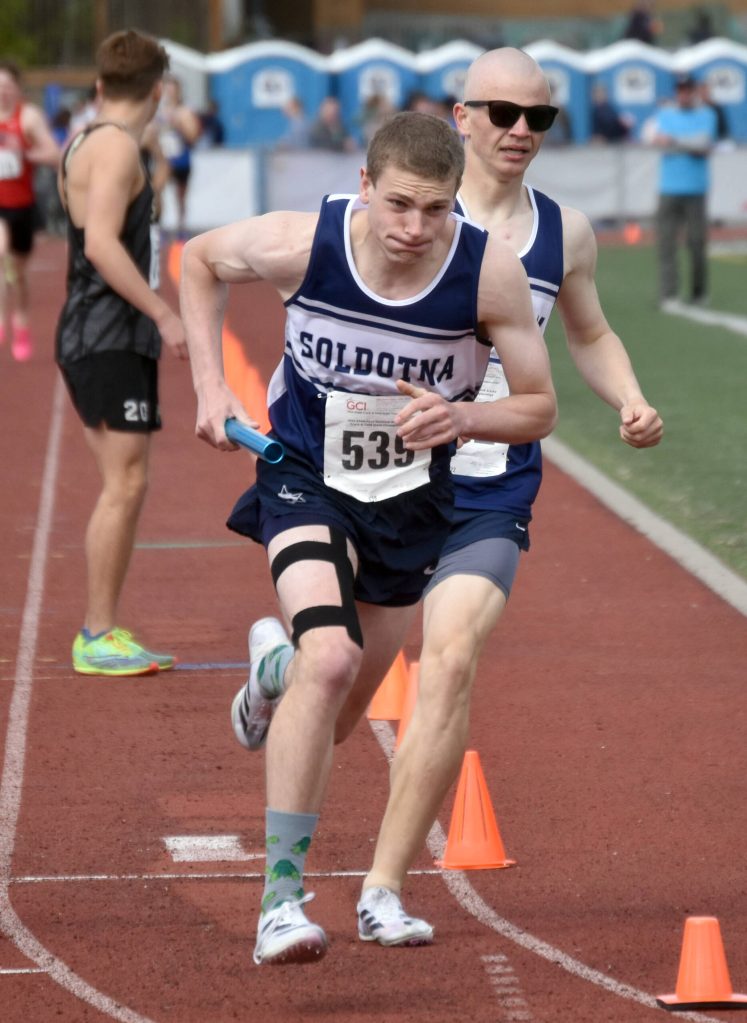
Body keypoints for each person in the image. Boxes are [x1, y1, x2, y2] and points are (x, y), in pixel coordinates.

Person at [234, 48, 664, 949]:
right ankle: (277, 673)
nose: (519, 132)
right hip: (376, 478)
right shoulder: (408, 212)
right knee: (340, 694)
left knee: (453, 651)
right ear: (458, 116)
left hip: (488, 483)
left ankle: (381, 888)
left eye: (538, 119)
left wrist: (625, 394)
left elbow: (587, 330)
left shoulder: (563, 234)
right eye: (502, 112)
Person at [179, 109, 558, 965]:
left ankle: (271, 671)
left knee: (340, 711)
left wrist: (461, 414)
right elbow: (199, 260)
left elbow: (539, 406)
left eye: (434, 209)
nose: (413, 229)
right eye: (397, 205)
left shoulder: (487, 276)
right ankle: (281, 898)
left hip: (410, 499)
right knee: (334, 657)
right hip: (303, 470)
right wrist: (210, 387)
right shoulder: (303, 243)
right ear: (362, 185)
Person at [55, 29, 188, 677]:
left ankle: (101, 626)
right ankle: (96, 632)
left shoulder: (92, 141)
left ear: (102, 85)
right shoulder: (113, 149)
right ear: (158, 90)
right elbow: (103, 245)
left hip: (101, 331)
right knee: (125, 482)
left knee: (126, 482)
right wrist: (164, 313)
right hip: (107, 333)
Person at [0, 60, 61, 361]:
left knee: (18, 275)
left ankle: (20, 320)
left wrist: (23, 152)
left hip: (21, 206)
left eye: (8, 87)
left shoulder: (29, 118)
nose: (3, 93)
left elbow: (54, 153)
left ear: (17, 89)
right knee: (0, 255)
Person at [647, 72, 718, 309]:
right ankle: (669, 293)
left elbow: (703, 145)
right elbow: (655, 138)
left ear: (694, 91)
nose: (684, 94)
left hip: (695, 188)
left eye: (688, 89)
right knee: (666, 243)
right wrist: (686, 142)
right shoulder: (666, 114)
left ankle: (699, 293)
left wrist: (675, 142)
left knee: (697, 243)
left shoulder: (706, 114)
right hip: (669, 187)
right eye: (681, 90)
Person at [156, 75, 202, 238]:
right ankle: (158, 224)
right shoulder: (158, 110)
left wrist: (179, 125)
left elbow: (194, 136)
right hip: (164, 158)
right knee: (157, 189)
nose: (169, 93)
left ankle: (181, 226)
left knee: (180, 195)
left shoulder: (185, 111)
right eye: (167, 89)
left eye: (172, 89)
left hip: (181, 157)